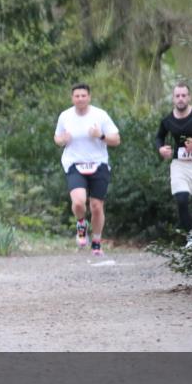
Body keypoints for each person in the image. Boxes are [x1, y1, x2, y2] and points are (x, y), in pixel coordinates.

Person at [54, 83, 121, 257]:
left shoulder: (100, 115)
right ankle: (81, 223)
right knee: (78, 202)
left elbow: (116, 139)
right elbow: (57, 138)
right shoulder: (65, 116)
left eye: (83, 96)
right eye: (77, 96)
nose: (80, 99)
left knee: (97, 206)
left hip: (98, 164)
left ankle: (97, 241)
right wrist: (62, 139)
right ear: (72, 98)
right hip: (74, 163)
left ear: (89, 97)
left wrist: (101, 136)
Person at [155, 82, 192, 245]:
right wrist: (161, 149)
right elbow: (159, 137)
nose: (180, 99)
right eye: (177, 96)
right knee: (181, 199)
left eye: (183, 95)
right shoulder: (167, 120)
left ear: (189, 97)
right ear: (173, 99)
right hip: (179, 165)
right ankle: (191, 240)